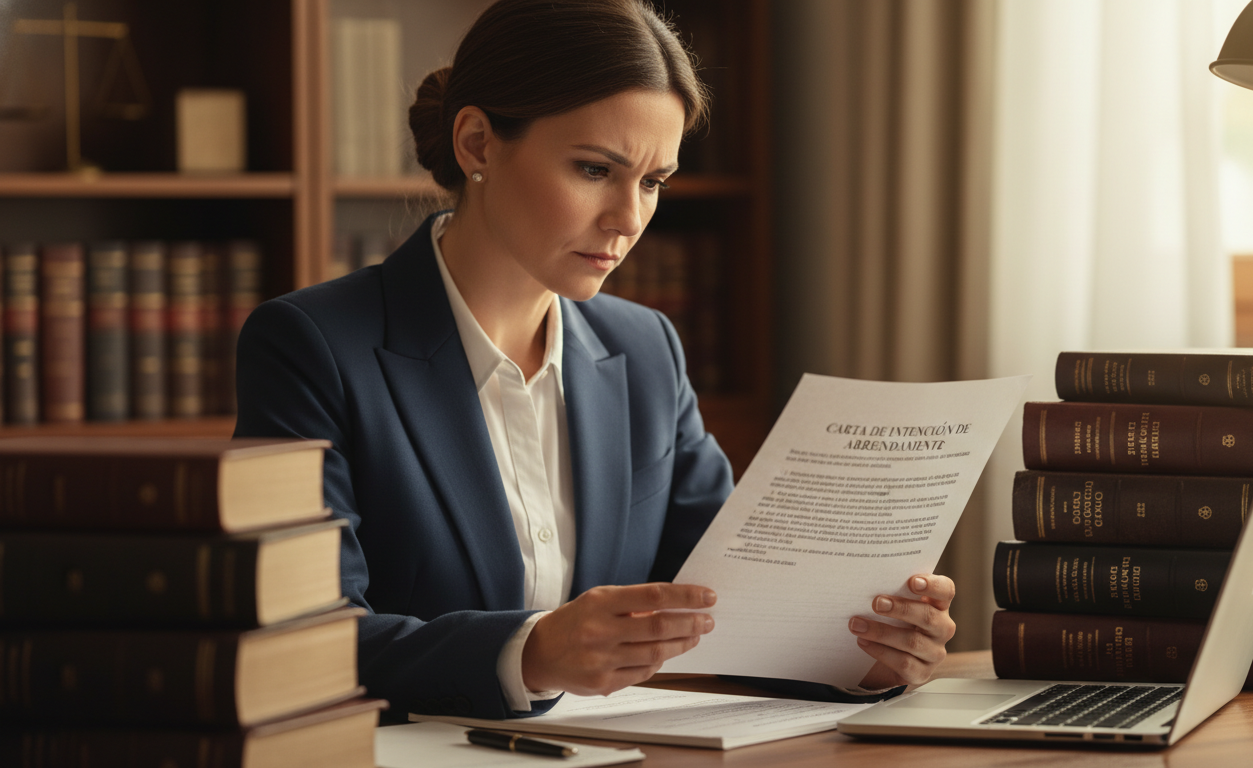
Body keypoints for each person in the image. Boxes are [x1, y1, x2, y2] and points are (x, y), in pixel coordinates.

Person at [234, 0, 956, 722]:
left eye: (652, 182)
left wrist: (866, 653)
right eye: (593, 169)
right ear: (478, 144)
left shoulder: (645, 352)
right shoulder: (311, 346)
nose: (629, 218)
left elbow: (729, 606)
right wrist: (530, 654)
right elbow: (306, 641)